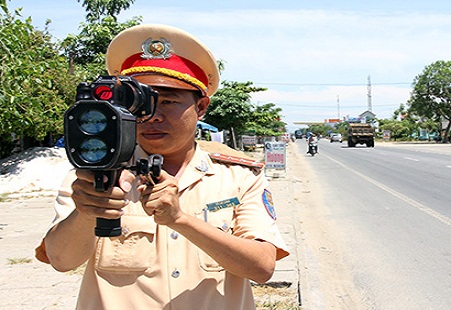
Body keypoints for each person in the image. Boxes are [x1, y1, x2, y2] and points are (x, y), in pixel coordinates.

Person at [35, 23, 289, 309]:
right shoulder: (93, 177)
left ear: (201, 107)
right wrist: (87, 212)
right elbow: (61, 260)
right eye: (142, 105)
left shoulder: (239, 177)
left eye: (168, 101)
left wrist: (180, 219)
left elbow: (262, 268)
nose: (153, 116)